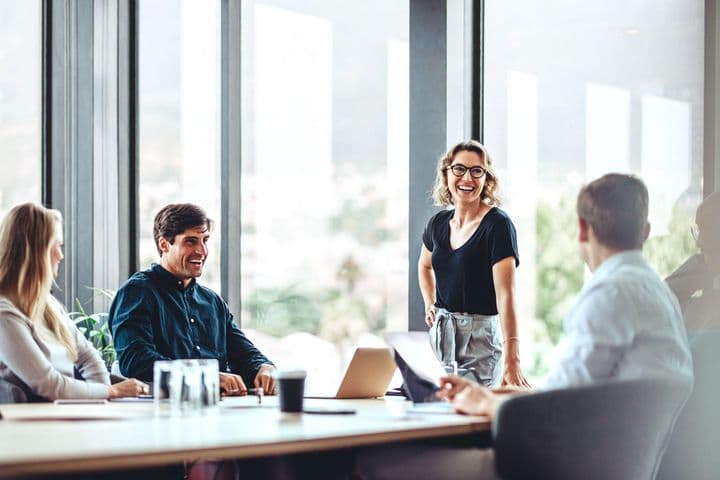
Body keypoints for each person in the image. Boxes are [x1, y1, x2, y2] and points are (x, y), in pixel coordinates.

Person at [353, 174, 693, 480]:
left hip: (555, 467)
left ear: (583, 230)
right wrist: (488, 394)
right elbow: (578, 392)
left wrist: (484, 404)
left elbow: (557, 410)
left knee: (372, 463)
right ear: (645, 231)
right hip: (613, 465)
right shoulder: (661, 295)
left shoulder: (608, 294)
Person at [109, 203, 276, 396]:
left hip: (216, 411)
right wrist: (206, 376)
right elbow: (136, 362)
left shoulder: (212, 301)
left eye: (205, 240)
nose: (202, 251)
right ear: (164, 244)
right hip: (161, 412)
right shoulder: (137, 292)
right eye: (191, 241)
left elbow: (244, 353)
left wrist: (264, 367)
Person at [0, 203, 148, 400]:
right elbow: (49, 384)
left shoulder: (48, 305)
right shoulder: (5, 315)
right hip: (28, 424)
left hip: (59, 416)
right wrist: (111, 391)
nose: (60, 255)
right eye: (56, 246)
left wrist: (102, 397)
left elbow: (88, 356)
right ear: (36, 252)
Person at [420, 140, 528, 387]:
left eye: (476, 171)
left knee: (474, 421)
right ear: (447, 173)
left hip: (480, 342)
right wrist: (429, 302)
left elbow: (506, 295)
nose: (466, 178)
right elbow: (424, 266)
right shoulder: (437, 224)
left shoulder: (498, 225)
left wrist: (513, 359)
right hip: (440, 337)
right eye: (459, 169)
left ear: (486, 178)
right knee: (437, 417)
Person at [658, 192, 720, 479]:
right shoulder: (700, 302)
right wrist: (680, 280)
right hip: (675, 451)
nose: (698, 241)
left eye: (706, 229)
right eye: (698, 231)